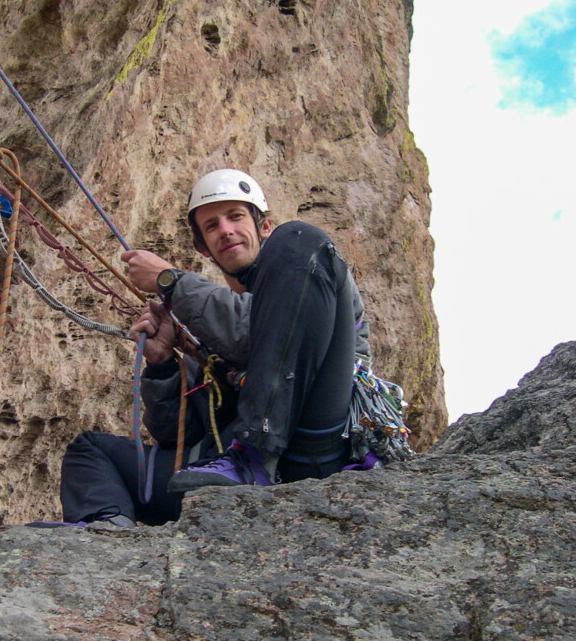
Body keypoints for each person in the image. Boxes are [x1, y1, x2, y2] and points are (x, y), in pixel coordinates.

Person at [53, 169, 370, 529]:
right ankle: (106, 534)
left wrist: (171, 281)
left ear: (263, 226)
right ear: (203, 246)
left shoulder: (312, 278)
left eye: (236, 216)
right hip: (226, 466)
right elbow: (177, 437)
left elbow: (255, 332)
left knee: (299, 238)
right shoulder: (206, 333)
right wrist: (162, 368)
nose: (226, 230)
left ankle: (255, 455)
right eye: (212, 226)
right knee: (91, 451)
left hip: (315, 443)